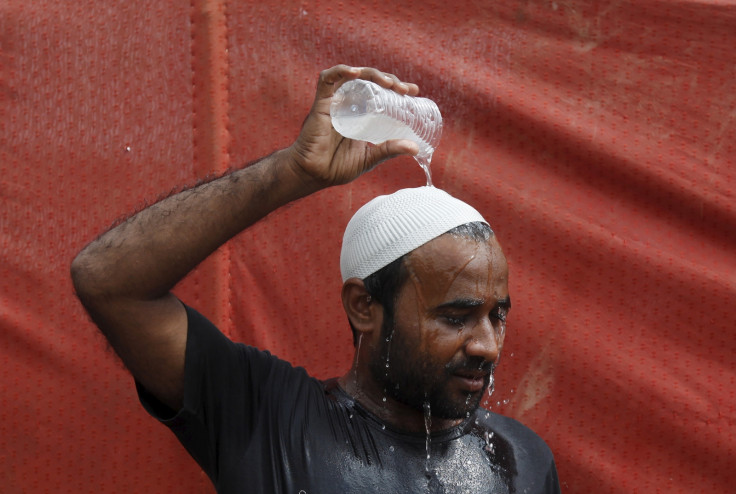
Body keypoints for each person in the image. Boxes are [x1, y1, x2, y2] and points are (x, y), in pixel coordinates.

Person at [71, 65, 560, 493]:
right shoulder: (267, 419)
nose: (487, 345)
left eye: (497, 316)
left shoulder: (521, 458)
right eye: (456, 317)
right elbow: (107, 280)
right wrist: (294, 171)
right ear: (363, 307)